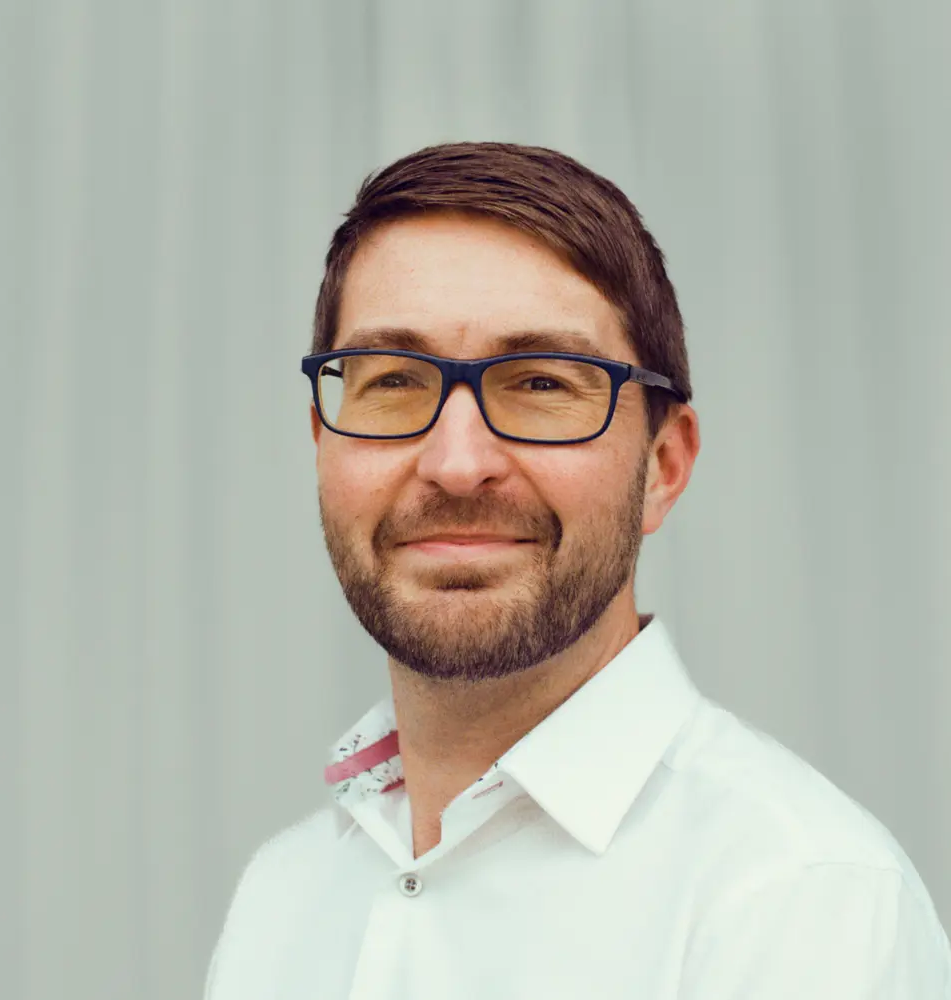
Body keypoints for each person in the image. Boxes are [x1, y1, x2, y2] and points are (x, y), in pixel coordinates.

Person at [204, 142, 951, 998]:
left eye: (541, 384)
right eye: (395, 382)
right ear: (322, 446)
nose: (456, 462)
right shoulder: (283, 897)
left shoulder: (796, 904)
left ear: (663, 467)